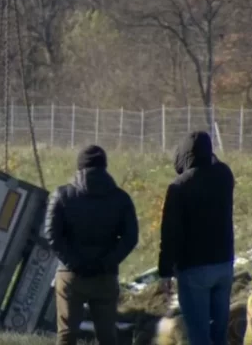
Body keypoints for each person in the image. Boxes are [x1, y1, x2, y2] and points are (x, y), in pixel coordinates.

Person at [44, 145, 139, 345]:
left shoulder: (62, 195)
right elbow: (131, 237)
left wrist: (73, 262)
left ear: (79, 167)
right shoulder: (121, 198)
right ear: (105, 167)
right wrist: (108, 262)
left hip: (71, 276)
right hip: (105, 276)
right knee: (107, 335)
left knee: (67, 333)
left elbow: (52, 234)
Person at [157, 131, 235, 345]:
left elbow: (170, 232)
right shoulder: (224, 176)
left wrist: (165, 270)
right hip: (224, 264)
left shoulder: (178, 187)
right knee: (219, 333)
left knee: (199, 335)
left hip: (194, 268)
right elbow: (216, 163)